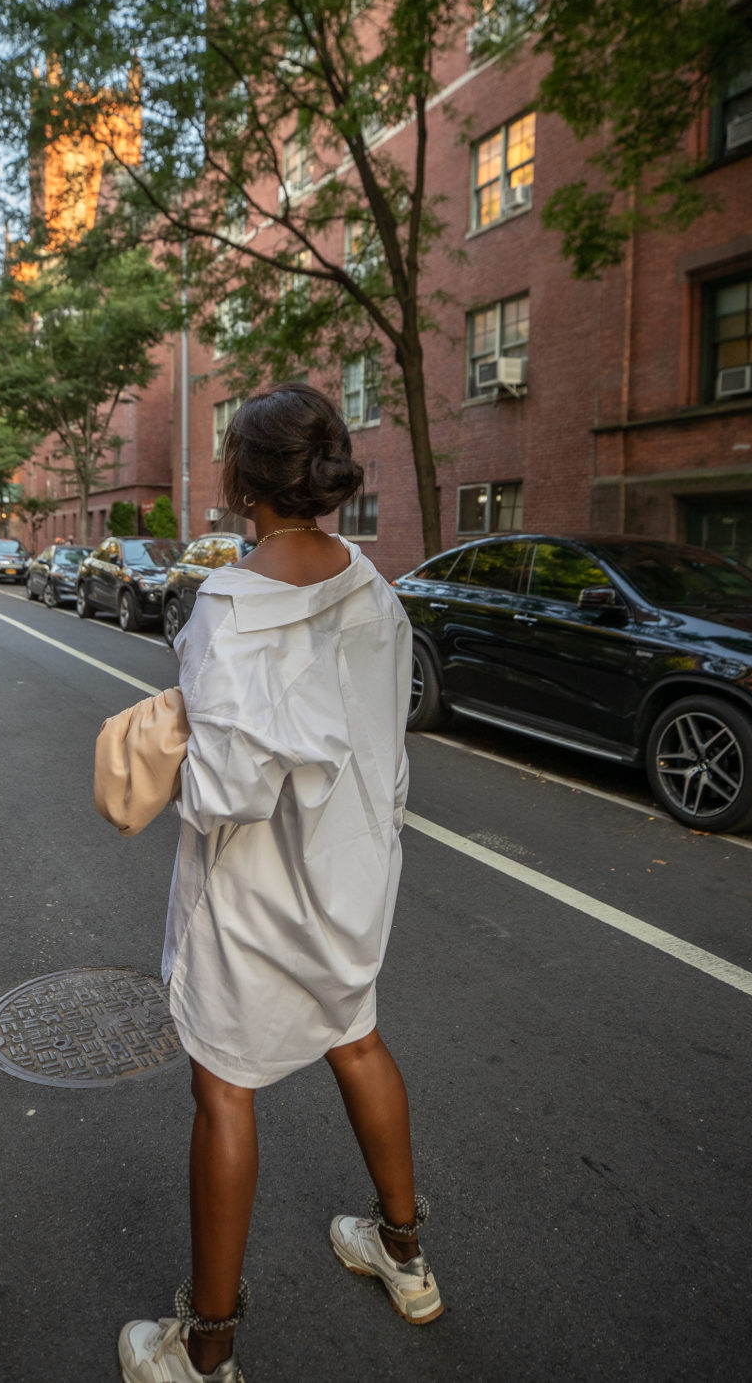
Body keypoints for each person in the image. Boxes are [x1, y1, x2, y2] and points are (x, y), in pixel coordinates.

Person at [118, 384, 441, 1383]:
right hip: (350, 877)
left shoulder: (231, 605)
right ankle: (404, 1256)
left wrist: (169, 725)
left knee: (223, 1090)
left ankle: (205, 1352)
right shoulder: (375, 589)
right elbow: (388, 738)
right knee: (360, 1040)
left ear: (239, 480)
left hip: (252, 898)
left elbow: (222, 798)